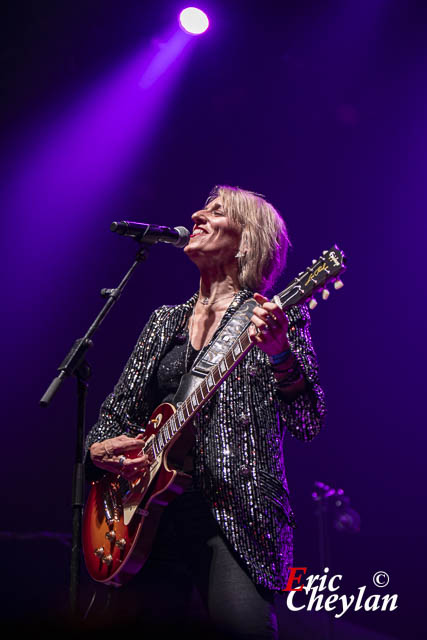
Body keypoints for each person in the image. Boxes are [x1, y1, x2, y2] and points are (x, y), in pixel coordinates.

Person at [85, 185, 326, 638]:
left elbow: (308, 420)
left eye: (216, 211)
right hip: (145, 517)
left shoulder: (272, 317)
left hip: (236, 513)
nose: (197, 214)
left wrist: (279, 354)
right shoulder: (164, 322)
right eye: (202, 206)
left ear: (247, 241)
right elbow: (115, 415)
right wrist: (101, 446)